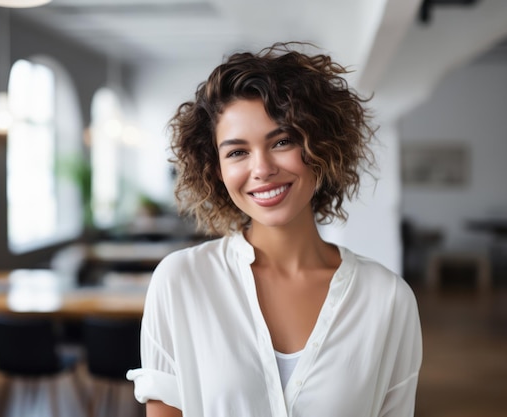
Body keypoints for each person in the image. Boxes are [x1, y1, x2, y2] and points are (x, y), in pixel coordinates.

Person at [127, 42, 422, 417]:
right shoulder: (181, 281)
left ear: (320, 147)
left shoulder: (387, 299)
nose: (262, 169)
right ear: (216, 169)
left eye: (282, 141)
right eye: (237, 152)